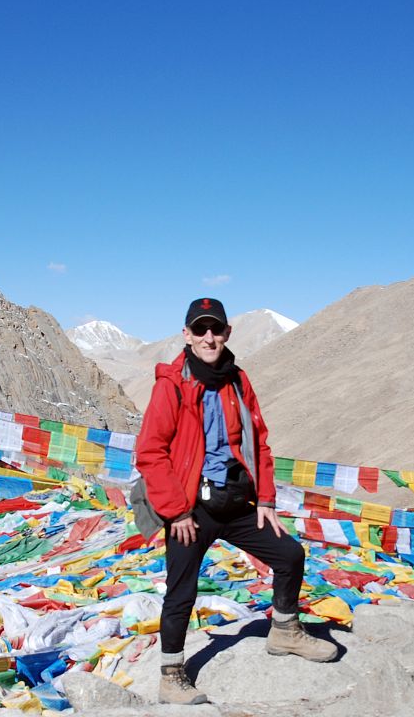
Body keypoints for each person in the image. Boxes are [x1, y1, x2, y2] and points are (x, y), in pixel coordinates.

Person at [135, 298, 337, 705]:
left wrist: (265, 499)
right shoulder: (173, 384)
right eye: (200, 329)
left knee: (289, 554)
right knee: (181, 590)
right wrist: (176, 511)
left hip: (236, 499)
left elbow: (258, 441)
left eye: (216, 329)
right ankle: (171, 675)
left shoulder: (238, 381)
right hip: (191, 508)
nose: (209, 337)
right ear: (187, 335)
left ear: (227, 333)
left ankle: (284, 631)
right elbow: (150, 452)